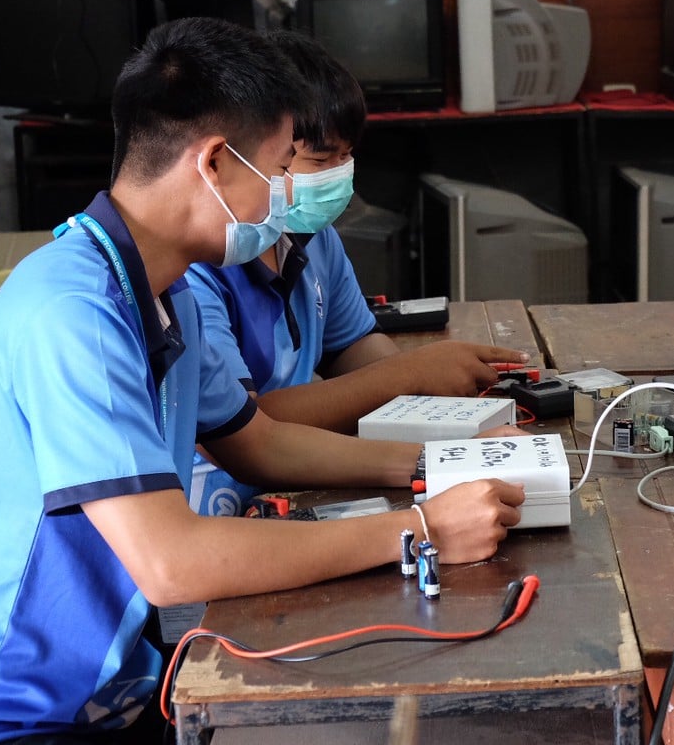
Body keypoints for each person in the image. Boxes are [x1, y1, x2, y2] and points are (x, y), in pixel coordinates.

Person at [0, 19, 525, 745]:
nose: (282, 199)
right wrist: (419, 531)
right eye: (277, 169)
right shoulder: (72, 312)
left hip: (99, 690)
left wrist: (441, 467)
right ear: (212, 163)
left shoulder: (158, 292)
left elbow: (260, 445)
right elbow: (172, 563)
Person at [185, 31, 523, 442]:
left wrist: (430, 395)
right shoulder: (197, 272)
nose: (338, 173)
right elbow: (245, 429)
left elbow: (350, 347)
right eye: (319, 159)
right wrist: (409, 374)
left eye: (345, 156)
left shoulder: (313, 237)